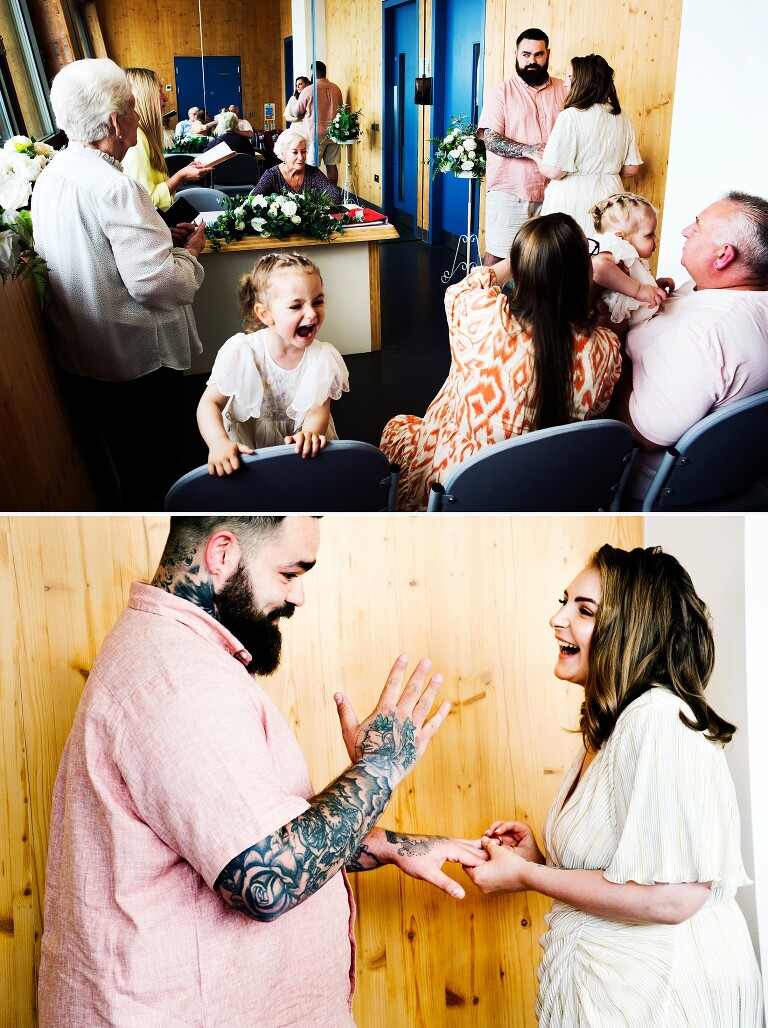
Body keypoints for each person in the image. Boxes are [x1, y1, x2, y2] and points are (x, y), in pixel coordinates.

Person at [38, 516, 486, 1027]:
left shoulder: (182, 657)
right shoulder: (177, 677)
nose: (298, 597)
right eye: (289, 573)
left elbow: (251, 834)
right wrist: (380, 766)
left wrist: (388, 843)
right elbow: (266, 878)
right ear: (222, 553)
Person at [464, 543, 763, 1027]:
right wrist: (540, 859)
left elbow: (674, 895)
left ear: (632, 630)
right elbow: (624, 868)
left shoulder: (659, 720)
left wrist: (528, 878)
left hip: (664, 996)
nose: (557, 620)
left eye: (583, 610)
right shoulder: (614, 727)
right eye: (565, 602)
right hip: (619, 991)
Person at [31, 57, 207, 510]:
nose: (138, 118)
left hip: (83, 356)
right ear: (116, 120)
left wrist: (160, 237)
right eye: (132, 107)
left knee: (128, 471)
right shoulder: (116, 187)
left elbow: (93, 249)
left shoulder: (55, 173)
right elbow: (157, 285)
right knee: (155, 475)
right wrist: (188, 255)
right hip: (134, 365)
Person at [380, 213, 622, 510]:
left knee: (399, 428)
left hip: (461, 478)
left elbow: (459, 290)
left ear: (523, 270)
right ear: (585, 273)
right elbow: (596, 408)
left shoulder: (484, 315)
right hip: (542, 486)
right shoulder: (605, 348)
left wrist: (517, 258)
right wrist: (602, 326)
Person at [612, 191, 768, 500]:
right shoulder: (721, 291)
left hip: (647, 482)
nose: (685, 230)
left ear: (723, 256)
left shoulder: (705, 336)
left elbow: (640, 435)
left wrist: (613, 343)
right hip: (732, 469)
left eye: (696, 227)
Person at [198, 253, 349, 473]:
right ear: (266, 314)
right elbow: (209, 404)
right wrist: (218, 442)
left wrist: (310, 433)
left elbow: (318, 410)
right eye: (296, 306)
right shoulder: (243, 352)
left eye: (318, 302)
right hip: (250, 449)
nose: (312, 313)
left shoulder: (321, 358)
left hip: (300, 450)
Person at [477, 29, 567, 264]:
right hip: (511, 190)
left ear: (548, 54)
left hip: (555, 192)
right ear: (516, 54)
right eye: (526, 54)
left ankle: (524, 304)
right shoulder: (502, 91)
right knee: (498, 257)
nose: (532, 61)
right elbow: (491, 139)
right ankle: (476, 301)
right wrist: (530, 150)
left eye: (538, 55)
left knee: (544, 264)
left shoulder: (565, 89)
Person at [534, 54, 642, 237]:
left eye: (570, 77)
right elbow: (631, 169)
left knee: (569, 255)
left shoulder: (570, 116)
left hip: (574, 199)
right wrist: (605, 167)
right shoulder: (621, 116)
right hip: (611, 198)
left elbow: (555, 171)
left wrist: (537, 159)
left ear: (584, 81)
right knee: (604, 255)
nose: (565, 84)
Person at [122, 67, 209, 210]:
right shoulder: (136, 138)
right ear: (142, 95)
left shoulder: (144, 134)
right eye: (159, 91)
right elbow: (146, 200)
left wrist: (184, 173)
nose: (165, 98)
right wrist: (181, 176)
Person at [590, 192, 673, 326]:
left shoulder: (628, 255)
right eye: (649, 235)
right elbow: (599, 268)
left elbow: (622, 283)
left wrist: (652, 286)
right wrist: (639, 290)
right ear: (621, 238)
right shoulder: (616, 247)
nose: (656, 239)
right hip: (600, 323)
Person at [251, 127, 344, 203]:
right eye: (295, 152)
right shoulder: (272, 175)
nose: (301, 157)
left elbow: (336, 196)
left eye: (303, 151)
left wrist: (316, 206)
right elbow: (252, 200)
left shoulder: (313, 173)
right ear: (283, 154)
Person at [295, 61, 343, 186]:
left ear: (313, 73)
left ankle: (313, 196)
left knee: (311, 167)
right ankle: (333, 195)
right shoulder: (336, 89)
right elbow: (342, 110)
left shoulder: (308, 90)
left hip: (315, 135)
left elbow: (297, 113)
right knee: (332, 165)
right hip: (334, 133)